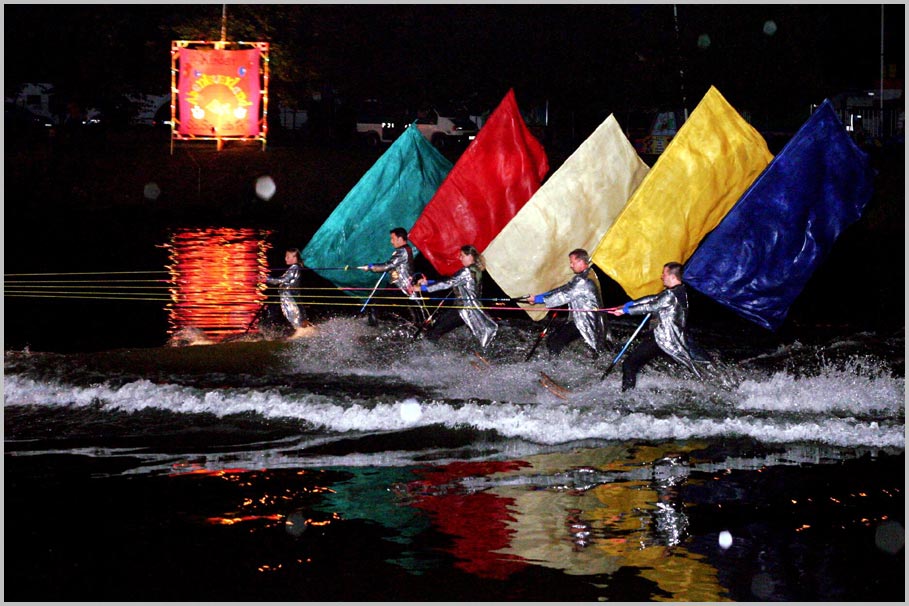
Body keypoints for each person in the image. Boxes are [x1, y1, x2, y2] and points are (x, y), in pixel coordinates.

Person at [606, 261, 702, 391]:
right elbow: (652, 299)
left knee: (629, 364)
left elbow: (651, 306)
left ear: (672, 277)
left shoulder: (671, 295)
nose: (662, 276)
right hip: (670, 338)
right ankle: (700, 385)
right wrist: (628, 304)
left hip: (662, 338)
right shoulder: (680, 291)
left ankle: (626, 397)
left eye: (664, 274)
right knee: (683, 367)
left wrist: (625, 311)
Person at [525, 248, 609, 359]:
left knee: (555, 342)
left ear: (580, 262)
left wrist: (537, 300)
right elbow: (563, 289)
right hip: (581, 319)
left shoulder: (583, 280)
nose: (570, 265)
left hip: (585, 321)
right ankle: (560, 364)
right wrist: (538, 297)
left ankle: (555, 368)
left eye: (572, 262)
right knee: (553, 339)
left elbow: (563, 295)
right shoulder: (586, 275)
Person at [412, 245, 497, 348]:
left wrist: (422, 288)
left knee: (435, 331)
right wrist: (427, 283)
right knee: (438, 325)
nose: (460, 258)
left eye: (462, 255)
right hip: (466, 308)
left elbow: (448, 283)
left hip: (463, 309)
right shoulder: (475, 270)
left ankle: (428, 354)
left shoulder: (467, 271)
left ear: (470, 256)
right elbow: (451, 281)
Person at [358, 227, 425, 326]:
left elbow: (387, 266)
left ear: (400, 239)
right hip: (399, 286)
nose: (391, 242)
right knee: (413, 311)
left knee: (374, 304)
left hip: (401, 288)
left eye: (392, 239)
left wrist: (370, 267)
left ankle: (373, 329)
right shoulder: (406, 249)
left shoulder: (403, 251)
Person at [266, 248, 315, 340]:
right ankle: (306, 331)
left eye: (288, 256)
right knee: (298, 314)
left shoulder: (294, 268)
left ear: (294, 257)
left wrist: (267, 279)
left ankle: (301, 332)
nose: (285, 258)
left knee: (293, 314)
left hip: (289, 297)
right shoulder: (295, 268)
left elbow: (283, 280)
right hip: (291, 296)